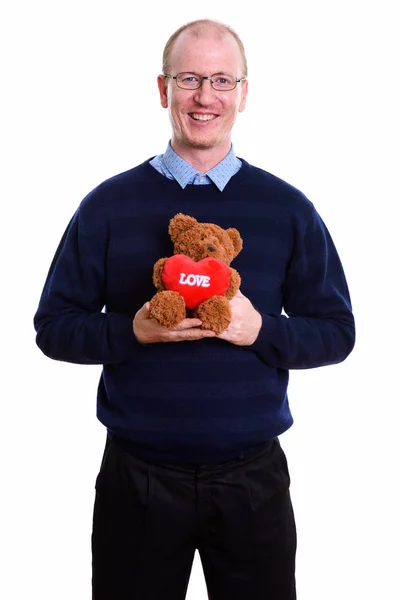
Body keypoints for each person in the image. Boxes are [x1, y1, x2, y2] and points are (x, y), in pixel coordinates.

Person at [34, 18, 355, 600]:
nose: (205, 96)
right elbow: (54, 328)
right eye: (189, 79)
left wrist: (261, 331)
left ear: (243, 93)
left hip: (253, 479)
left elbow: (336, 332)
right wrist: (132, 329)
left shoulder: (287, 209)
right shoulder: (108, 205)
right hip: (139, 479)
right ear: (163, 90)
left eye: (221, 80)